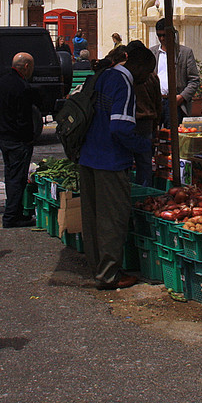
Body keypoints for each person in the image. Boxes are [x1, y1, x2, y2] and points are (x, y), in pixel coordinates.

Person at [78, 41, 154, 290]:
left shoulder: (102, 76)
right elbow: (119, 127)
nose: (145, 80)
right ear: (137, 66)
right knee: (112, 221)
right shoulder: (124, 82)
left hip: (88, 157)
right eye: (146, 73)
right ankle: (109, 275)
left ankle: (98, 269)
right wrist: (144, 146)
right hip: (110, 161)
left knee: (93, 219)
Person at [0, 52, 41, 229]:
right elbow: (24, 117)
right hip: (18, 139)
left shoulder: (3, 82)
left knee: (10, 175)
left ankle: (15, 211)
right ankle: (12, 215)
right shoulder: (22, 86)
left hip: (4, 136)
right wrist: (29, 138)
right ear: (26, 66)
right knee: (17, 178)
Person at [149, 19, 200, 126]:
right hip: (156, 102)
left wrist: (181, 97)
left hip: (174, 102)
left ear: (172, 34)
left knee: (171, 137)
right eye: (159, 36)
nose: (162, 39)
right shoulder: (152, 53)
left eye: (164, 35)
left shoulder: (185, 53)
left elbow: (194, 80)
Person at [133, 45, 162, 188]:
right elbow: (158, 103)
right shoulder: (152, 77)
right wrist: (156, 124)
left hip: (136, 122)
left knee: (132, 162)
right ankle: (145, 191)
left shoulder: (132, 76)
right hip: (147, 122)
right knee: (144, 162)